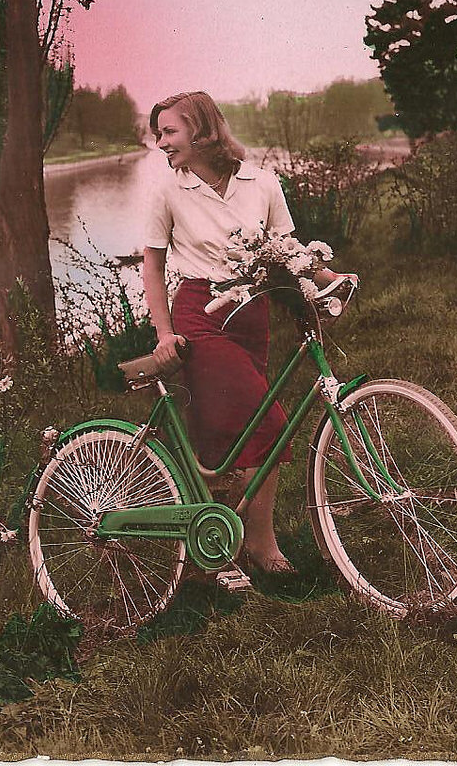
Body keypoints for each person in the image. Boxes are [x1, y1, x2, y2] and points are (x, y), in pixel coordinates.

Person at [143, 91, 336, 573]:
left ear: (203, 129)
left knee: (229, 429)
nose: (161, 143)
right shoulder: (168, 192)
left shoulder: (262, 183)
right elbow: (152, 265)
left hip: (253, 314)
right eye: (159, 134)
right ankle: (261, 546)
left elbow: (287, 247)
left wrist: (329, 282)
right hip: (200, 315)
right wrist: (164, 333)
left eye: (170, 131)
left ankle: (211, 543)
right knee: (269, 423)